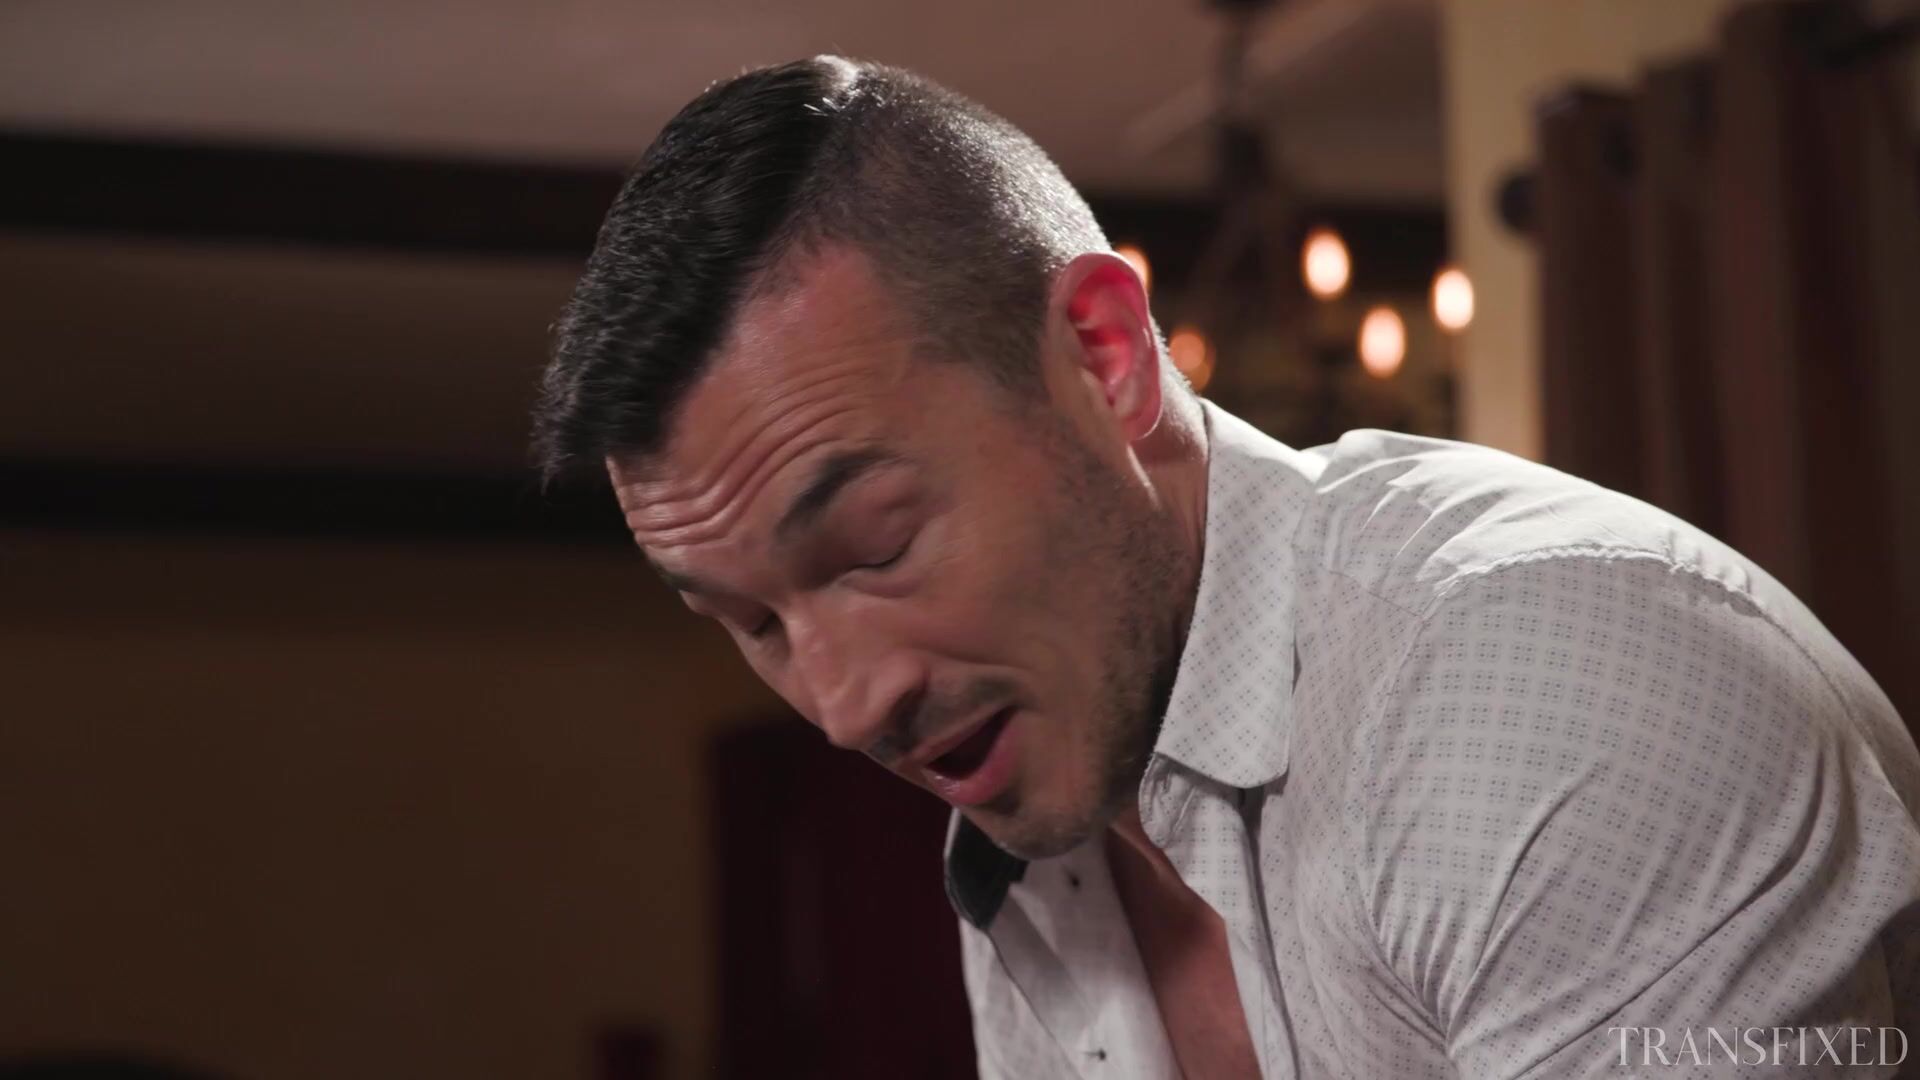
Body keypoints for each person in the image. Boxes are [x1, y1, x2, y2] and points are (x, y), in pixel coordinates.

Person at [531, 56, 1920, 1078]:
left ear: (1104, 357)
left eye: (875, 545)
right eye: (755, 624)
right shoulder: (1039, 834)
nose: (844, 706)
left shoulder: (1547, 686)